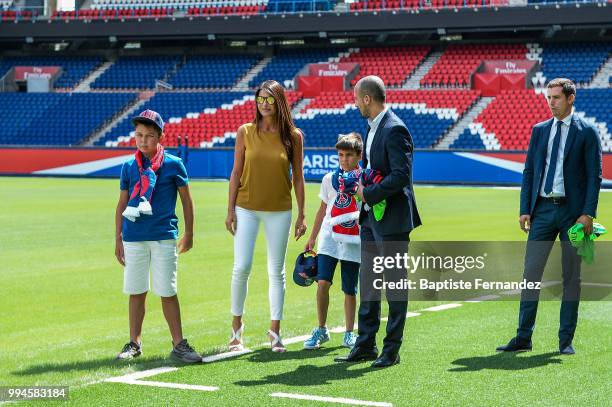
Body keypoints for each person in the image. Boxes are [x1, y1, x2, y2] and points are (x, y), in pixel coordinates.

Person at [497, 78, 602, 355]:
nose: (551, 102)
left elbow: (595, 176)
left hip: (573, 214)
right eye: (549, 98)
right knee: (530, 274)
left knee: (571, 277)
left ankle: (565, 340)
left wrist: (588, 213)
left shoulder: (588, 132)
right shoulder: (539, 131)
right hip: (542, 211)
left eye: (556, 97)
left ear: (570, 98)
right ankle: (523, 337)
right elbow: (530, 171)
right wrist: (524, 209)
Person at [335, 75, 421, 368]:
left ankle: (391, 349)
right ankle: (366, 344)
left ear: (367, 99)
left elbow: (400, 176)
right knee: (369, 282)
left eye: (357, 98)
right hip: (372, 218)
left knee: (395, 285)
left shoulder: (395, 129)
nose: (355, 103)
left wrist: (367, 192)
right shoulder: (372, 128)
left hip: (393, 219)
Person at [225, 80, 307, 353]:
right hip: (246, 207)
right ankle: (236, 332)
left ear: (279, 102)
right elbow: (236, 173)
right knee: (242, 267)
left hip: (280, 210)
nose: (264, 103)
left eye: (269, 99)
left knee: (276, 271)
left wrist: (302, 214)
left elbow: (298, 177)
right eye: (260, 98)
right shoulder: (245, 132)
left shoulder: (293, 136)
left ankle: (275, 332)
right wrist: (230, 209)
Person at [114, 109, 201, 363]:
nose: (143, 141)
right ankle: (134, 343)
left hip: (164, 236)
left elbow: (187, 200)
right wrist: (117, 238)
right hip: (133, 237)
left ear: (160, 136)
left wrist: (190, 233)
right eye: (139, 135)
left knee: (167, 291)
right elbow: (120, 204)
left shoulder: (174, 164)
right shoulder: (129, 166)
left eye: (149, 136)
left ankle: (179, 344)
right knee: (136, 291)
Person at [303, 133, 363, 350]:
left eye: (349, 155)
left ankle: (349, 333)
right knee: (322, 283)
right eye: (340, 155)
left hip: (352, 240)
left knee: (350, 289)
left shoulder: (363, 179)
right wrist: (312, 237)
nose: (344, 159)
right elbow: (322, 210)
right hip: (328, 237)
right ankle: (321, 329)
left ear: (359, 156)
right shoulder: (329, 179)